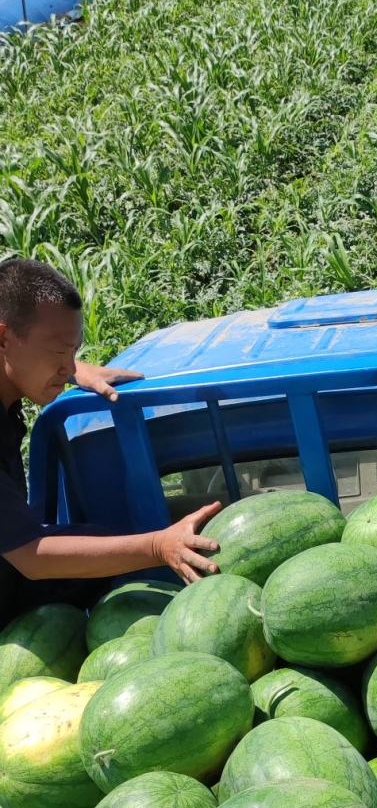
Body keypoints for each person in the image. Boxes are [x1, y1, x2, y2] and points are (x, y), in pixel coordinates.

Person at [0, 258, 221, 624]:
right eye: (59, 352)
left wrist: (72, 369)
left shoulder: (18, 367)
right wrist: (159, 546)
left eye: (75, 351)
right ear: (4, 338)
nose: (70, 366)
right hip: (18, 567)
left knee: (99, 546)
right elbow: (32, 557)